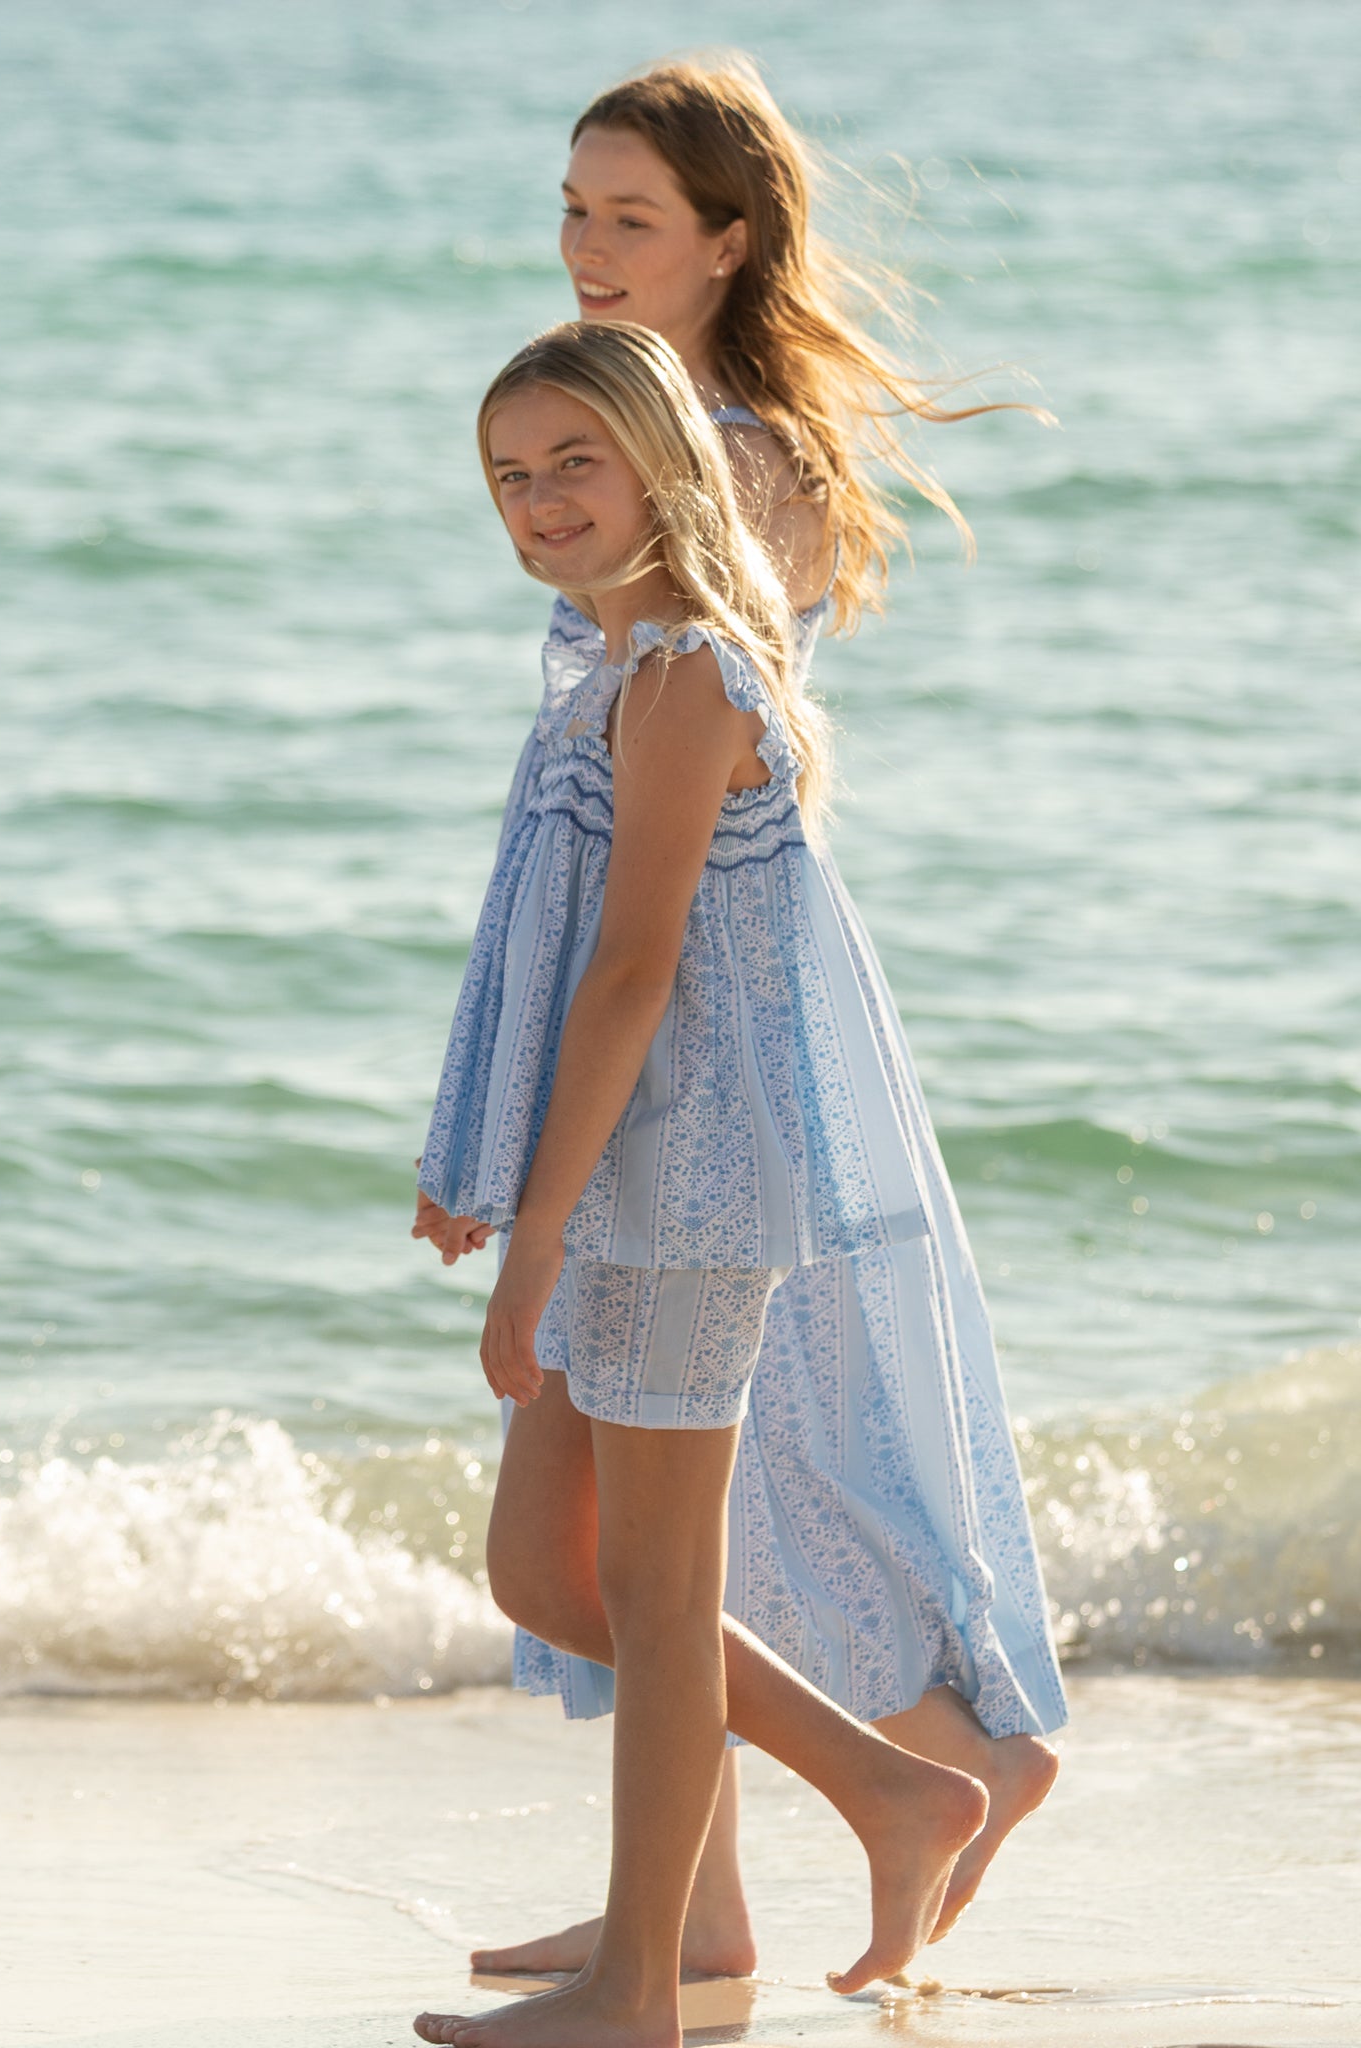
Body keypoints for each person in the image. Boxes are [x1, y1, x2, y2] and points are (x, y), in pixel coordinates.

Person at [418, 56, 1067, 1988]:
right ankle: (695, 1912)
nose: (588, 242)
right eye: (574, 207)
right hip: (645, 1014)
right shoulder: (600, 421)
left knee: (728, 1488)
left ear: (726, 238)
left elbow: (688, 818)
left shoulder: (729, 468)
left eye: (631, 215)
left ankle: (900, 1783)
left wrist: (546, 1168)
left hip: (712, 1022)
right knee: (639, 1526)